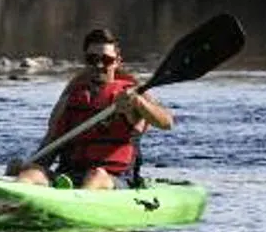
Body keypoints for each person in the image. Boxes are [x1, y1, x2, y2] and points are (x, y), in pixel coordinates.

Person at [9, 27, 173, 190]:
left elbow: (167, 123)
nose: (99, 65)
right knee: (30, 174)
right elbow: (51, 143)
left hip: (113, 179)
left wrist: (139, 103)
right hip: (68, 176)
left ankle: (75, 207)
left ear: (117, 61)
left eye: (106, 60)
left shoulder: (132, 96)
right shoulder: (70, 99)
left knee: (96, 175)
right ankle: (4, 207)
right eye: (93, 59)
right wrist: (30, 167)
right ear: (86, 60)